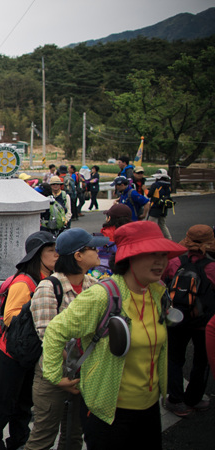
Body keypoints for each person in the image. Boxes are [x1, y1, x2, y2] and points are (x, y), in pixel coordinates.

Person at [41, 221, 187, 450]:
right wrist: (54, 375)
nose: (161, 261)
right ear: (130, 257)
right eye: (151, 254)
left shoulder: (158, 294)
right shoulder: (102, 295)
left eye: (163, 254)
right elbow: (55, 330)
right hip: (108, 412)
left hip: (149, 409)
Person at [25, 229, 107, 450]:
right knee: (43, 437)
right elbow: (47, 335)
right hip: (54, 375)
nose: (98, 251)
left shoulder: (94, 285)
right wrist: (67, 369)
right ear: (78, 255)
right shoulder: (49, 287)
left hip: (84, 373)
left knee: (74, 435)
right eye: (92, 248)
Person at [0, 231, 58, 450]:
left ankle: (17, 441)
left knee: (24, 405)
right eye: (51, 251)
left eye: (57, 250)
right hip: (11, 354)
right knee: (4, 406)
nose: (56, 255)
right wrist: (39, 314)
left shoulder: (50, 280)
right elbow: (9, 317)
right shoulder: (24, 282)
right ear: (37, 255)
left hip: (30, 353)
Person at [161, 225, 215, 417]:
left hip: (176, 318)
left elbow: (163, 283)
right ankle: (194, 398)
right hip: (203, 322)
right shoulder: (211, 267)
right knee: (202, 361)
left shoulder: (175, 261)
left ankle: (175, 399)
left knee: (175, 358)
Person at [147, 169, 173, 239]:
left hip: (155, 207)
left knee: (151, 225)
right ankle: (169, 239)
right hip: (164, 207)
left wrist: (145, 190)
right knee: (162, 225)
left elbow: (149, 195)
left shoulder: (155, 185)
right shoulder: (168, 185)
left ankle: (152, 240)